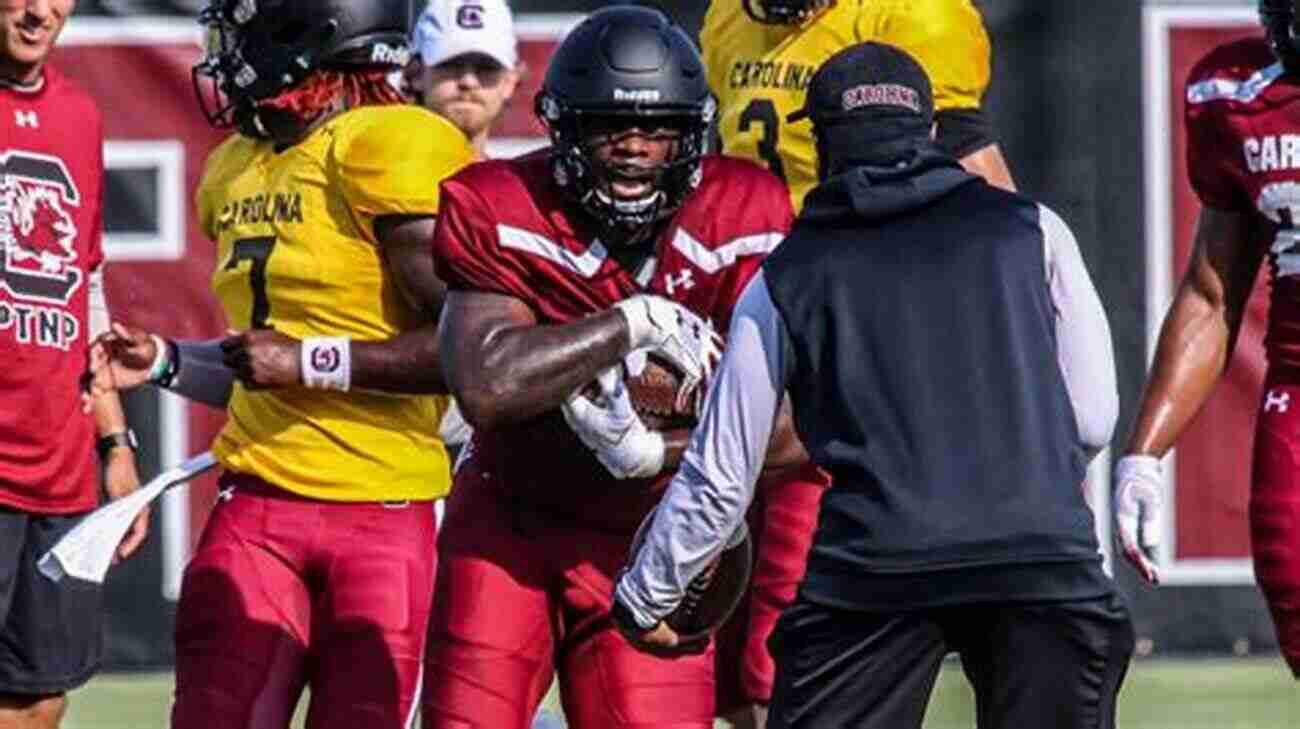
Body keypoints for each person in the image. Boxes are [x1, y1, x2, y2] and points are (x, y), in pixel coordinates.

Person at [614, 42, 1133, 729]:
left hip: (874, 569)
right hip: (1043, 561)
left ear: (824, 147)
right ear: (929, 133)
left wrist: (645, 596)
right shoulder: (1033, 229)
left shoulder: (786, 275)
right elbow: (1094, 418)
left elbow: (721, 475)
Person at [84, 0, 476, 725]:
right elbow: (262, 357)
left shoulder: (387, 143)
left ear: (313, 30)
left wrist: (312, 361)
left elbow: (469, 353)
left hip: (382, 507)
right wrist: (169, 360)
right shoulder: (239, 164)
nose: (228, 50)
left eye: (247, 27)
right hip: (259, 499)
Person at [423, 7, 808, 729]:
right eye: (609, 127)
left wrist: (654, 451)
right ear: (565, 129)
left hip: (659, 528)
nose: (634, 148)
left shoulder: (745, 209)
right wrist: (629, 323)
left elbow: (797, 426)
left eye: (658, 128)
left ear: (691, 133)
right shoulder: (500, 204)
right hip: (513, 516)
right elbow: (485, 382)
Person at [700, 3, 1012, 725]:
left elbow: (987, 202)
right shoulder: (726, 21)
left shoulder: (909, 17)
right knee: (728, 636)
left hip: (850, 321)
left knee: (792, 622)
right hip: (742, 317)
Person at [1113, 0, 1300, 678]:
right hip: (1298, 396)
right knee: (1292, 571)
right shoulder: (1241, 97)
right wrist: (1143, 454)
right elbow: (1213, 293)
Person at [0, 1, 145, 727]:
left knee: (42, 696)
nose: (37, 10)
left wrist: (115, 441)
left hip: (60, 464)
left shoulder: (80, 115)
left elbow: (82, 281)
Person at [702, 0, 1015, 215]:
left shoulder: (909, 16)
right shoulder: (729, 16)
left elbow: (986, 194)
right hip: (747, 259)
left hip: (854, 255)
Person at [405, 0, 523, 159]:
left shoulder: (520, 183)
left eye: (487, 67)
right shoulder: (376, 178)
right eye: (451, 64)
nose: (468, 82)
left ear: (510, 82)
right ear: (416, 73)